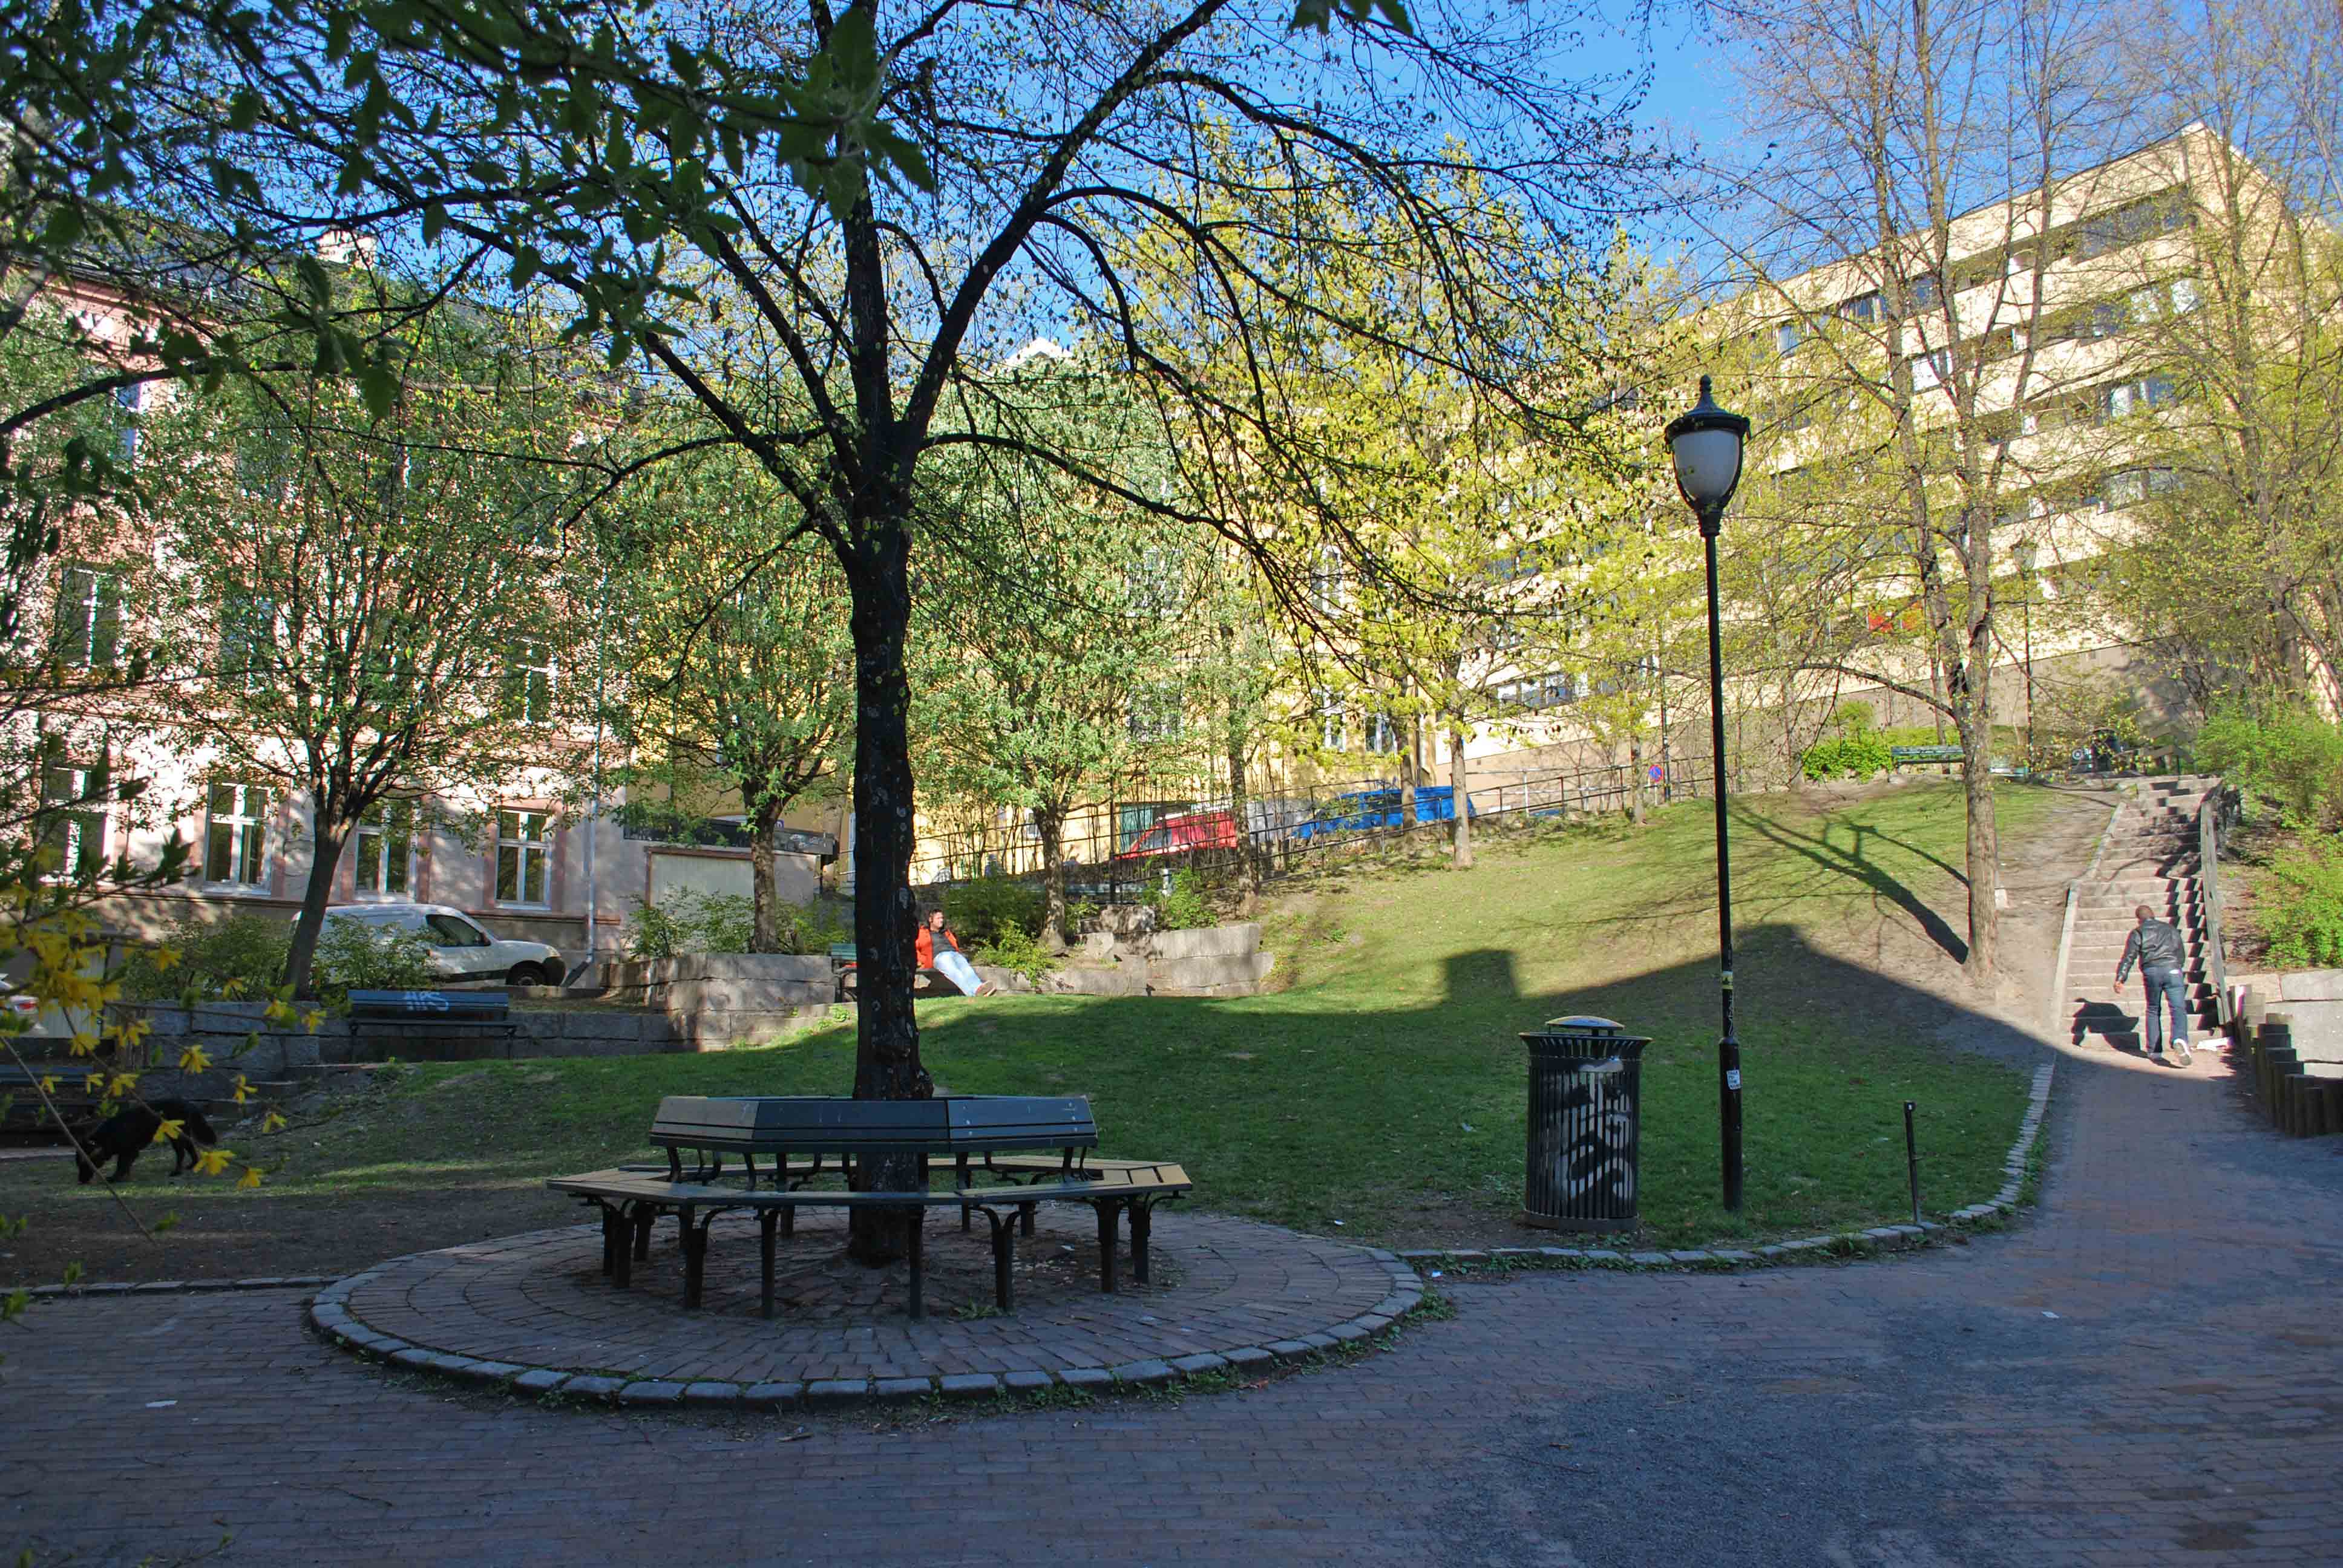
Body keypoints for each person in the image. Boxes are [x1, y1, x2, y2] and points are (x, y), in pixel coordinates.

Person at [2115, 902, 2192, 1066]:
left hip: (2152, 972)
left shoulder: (2138, 932)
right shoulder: (2170, 929)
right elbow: (2180, 952)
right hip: (2172, 969)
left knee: (2153, 1009)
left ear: (2139, 920)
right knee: (2178, 1008)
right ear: (2153, 915)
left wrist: (2121, 978)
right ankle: (2179, 1038)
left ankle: (2154, 1051)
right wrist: (2177, 967)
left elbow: (2129, 957)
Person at [917, 908, 992, 997]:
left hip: (954, 954)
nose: (941, 920)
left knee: (967, 970)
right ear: (930, 920)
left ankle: (978, 988)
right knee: (956, 973)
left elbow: (955, 945)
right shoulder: (922, 933)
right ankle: (972, 995)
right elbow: (914, 949)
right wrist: (924, 960)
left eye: (942, 918)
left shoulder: (946, 932)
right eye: (938, 918)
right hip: (940, 957)